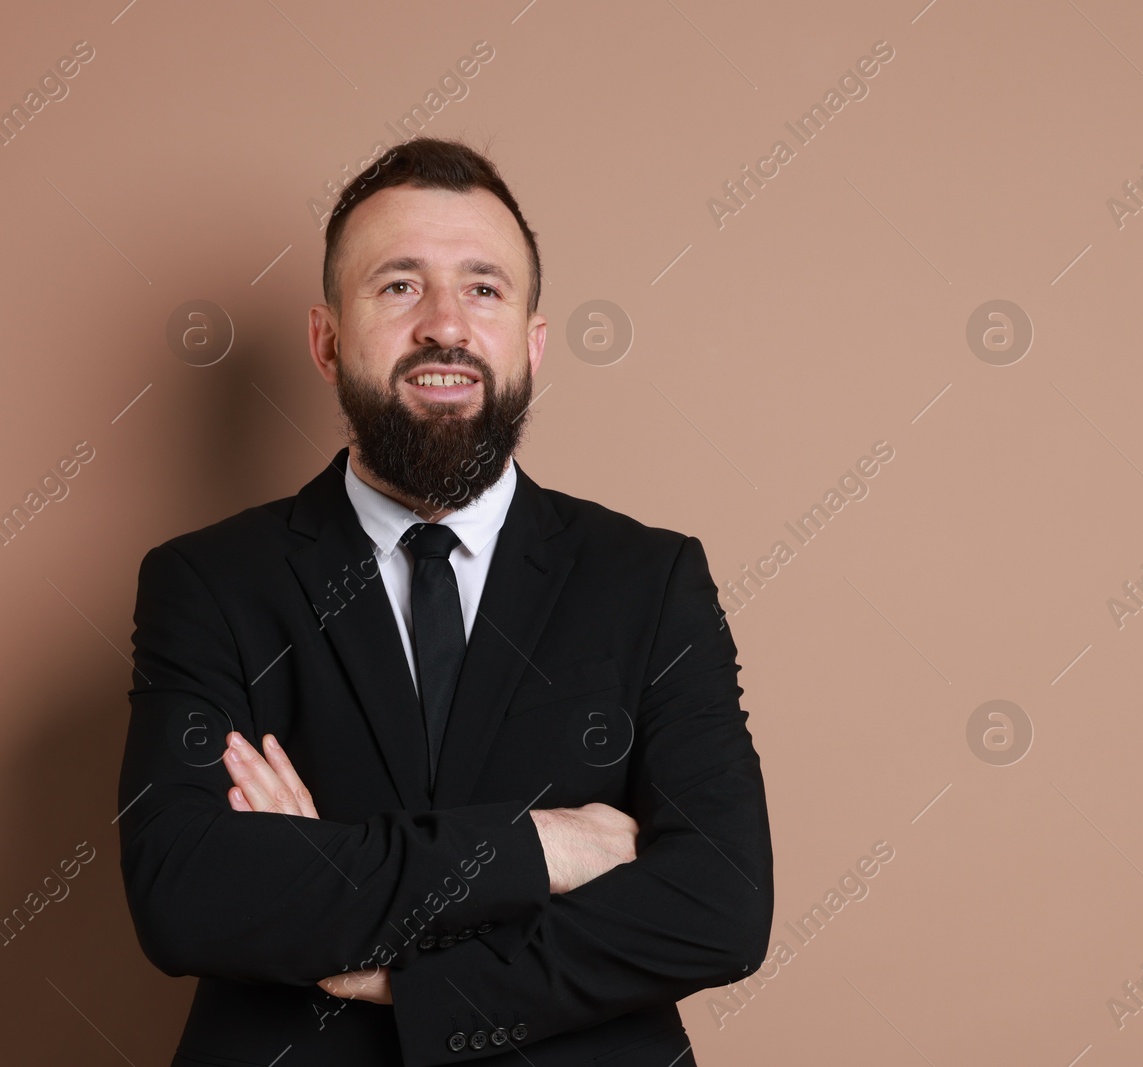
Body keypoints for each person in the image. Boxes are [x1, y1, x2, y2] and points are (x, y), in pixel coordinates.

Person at [116, 137, 773, 1067]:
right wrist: (544, 847)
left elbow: (721, 903)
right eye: (398, 286)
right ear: (327, 339)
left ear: (532, 344)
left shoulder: (651, 579)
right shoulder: (209, 582)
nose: (445, 325)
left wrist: (398, 950)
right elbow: (185, 893)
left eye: (483, 288)